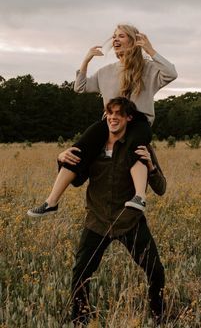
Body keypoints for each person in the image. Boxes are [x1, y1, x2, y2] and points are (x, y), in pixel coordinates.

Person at [27, 24, 177, 217]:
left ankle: (139, 196)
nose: (115, 39)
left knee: (137, 146)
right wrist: (86, 59)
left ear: (133, 41)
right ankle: (51, 201)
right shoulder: (106, 71)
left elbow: (171, 73)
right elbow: (80, 87)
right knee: (78, 149)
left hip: (138, 121)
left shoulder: (148, 69)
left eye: (121, 36)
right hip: (110, 122)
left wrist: (150, 49)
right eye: (114, 36)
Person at [60, 97, 166, 327]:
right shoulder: (94, 146)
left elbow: (161, 188)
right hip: (97, 222)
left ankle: (159, 316)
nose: (113, 117)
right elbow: (77, 180)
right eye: (110, 112)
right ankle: (80, 320)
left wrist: (151, 166)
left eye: (119, 113)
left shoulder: (140, 147)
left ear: (129, 118)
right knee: (80, 275)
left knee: (155, 271)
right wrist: (60, 160)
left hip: (129, 221)